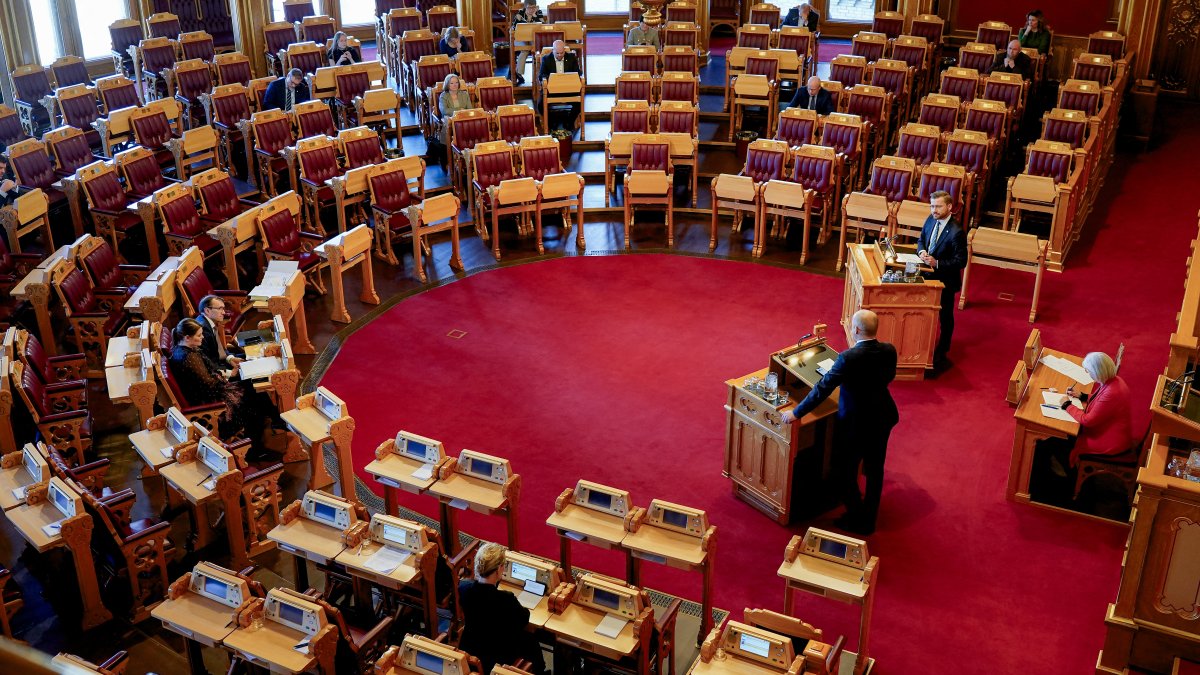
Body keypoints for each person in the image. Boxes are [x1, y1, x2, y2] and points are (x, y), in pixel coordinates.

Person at [781, 310, 898, 535]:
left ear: (855, 330)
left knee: (844, 470)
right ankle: (869, 519)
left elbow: (823, 389)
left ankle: (856, 517)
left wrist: (796, 412)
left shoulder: (848, 358)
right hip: (883, 417)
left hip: (857, 423)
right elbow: (888, 376)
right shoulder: (888, 350)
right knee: (875, 470)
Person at [1031, 352, 1132, 503]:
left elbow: (1087, 420)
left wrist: (1067, 405)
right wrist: (1083, 396)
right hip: (1112, 433)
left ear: (1098, 371)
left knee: (1054, 442)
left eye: (1089, 371)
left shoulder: (1112, 392)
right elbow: (1101, 402)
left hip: (1107, 441)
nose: (1088, 374)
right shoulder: (1115, 381)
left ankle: (1062, 480)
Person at [458, 543, 547, 674]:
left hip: (471, 647)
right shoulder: (506, 599)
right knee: (530, 640)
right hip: (497, 657)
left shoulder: (463, 588)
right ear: (499, 569)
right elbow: (524, 618)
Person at [169, 318, 263, 442]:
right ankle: (256, 444)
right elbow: (209, 385)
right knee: (254, 394)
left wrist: (223, 377)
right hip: (210, 403)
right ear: (187, 337)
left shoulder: (185, 350)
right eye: (199, 335)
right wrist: (226, 379)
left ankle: (263, 431)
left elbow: (210, 376)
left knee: (253, 386)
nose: (203, 337)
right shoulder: (188, 357)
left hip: (211, 393)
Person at [917, 190, 967, 373]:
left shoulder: (956, 232)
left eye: (938, 206)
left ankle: (942, 351)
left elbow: (961, 261)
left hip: (945, 281)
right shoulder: (930, 220)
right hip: (926, 276)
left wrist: (937, 263)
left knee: (945, 317)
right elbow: (921, 239)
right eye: (932, 206)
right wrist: (921, 252)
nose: (934, 210)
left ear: (949, 207)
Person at [539, 40, 582, 130]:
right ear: (553, 50)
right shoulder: (546, 59)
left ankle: (569, 122)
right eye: (557, 53)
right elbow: (541, 75)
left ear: (564, 50)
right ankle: (552, 122)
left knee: (579, 102)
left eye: (561, 53)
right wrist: (552, 79)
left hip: (568, 88)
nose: (559, 55)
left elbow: (578, 73)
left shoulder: (571, 57)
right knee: (540, 104)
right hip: (551, 89)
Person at [195, 294, 244, 368]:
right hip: (218, 369)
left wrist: (230, 359)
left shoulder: (208, 322)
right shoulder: (203, 330)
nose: (224, 312)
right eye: (220, 309)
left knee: (251, 357)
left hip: (222, 361)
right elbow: (209, 362)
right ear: (207, 310)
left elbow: (219, 349)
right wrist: (230, 372)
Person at [510, 0, 545, 86]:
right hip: (520, 39)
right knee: (525, 50)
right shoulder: (520, 13)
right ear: (525, 7)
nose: (531, 10)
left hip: (533, 39)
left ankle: (540, 74)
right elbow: (514, 28)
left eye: (534, 7)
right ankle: (519, 73)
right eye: (529, 8)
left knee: (538, 50)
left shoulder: (538, 12)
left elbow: (543, 25)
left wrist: (534, 16)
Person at [437, 73, 473, 147]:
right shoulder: (443, 96)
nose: (455, 85)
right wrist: (460, 110)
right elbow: (444, 111)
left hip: (464, 120)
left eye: (456, 82)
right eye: (452, 83)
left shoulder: (464, 94)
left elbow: (470, 109)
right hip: (449, 122)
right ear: (447, 84)